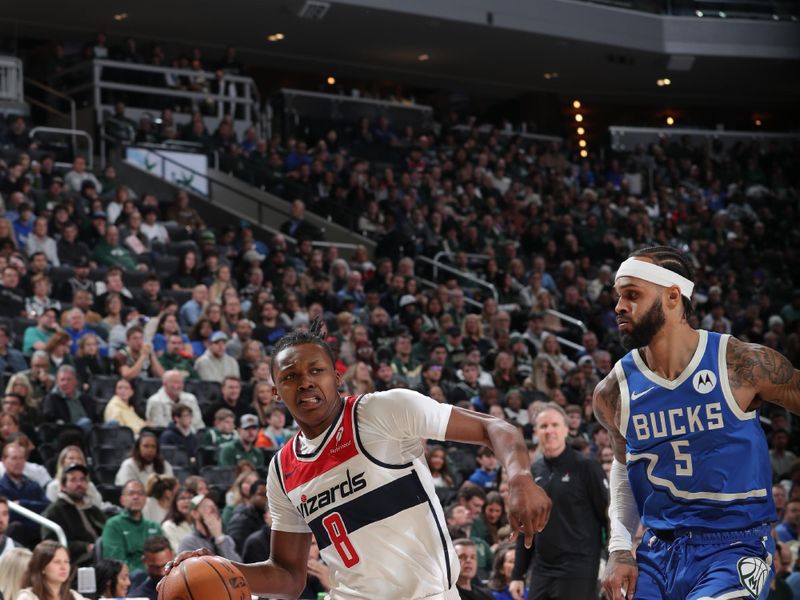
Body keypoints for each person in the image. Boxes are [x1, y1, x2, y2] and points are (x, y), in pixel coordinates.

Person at [166, 319, 550, 599]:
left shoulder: (382, 411)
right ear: (275, 394)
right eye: (290, 376)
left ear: (337, 377)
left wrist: (519, 479)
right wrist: (219, 571)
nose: (305, 382)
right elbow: (287, 574)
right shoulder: (282, 469)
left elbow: (497, 429)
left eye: (316, 370)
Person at [593, 246, 800, 600]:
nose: (619, 306)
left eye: (632, 295)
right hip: (658, 552)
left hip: (736, 545)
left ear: (673, 296)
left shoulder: (739, 364)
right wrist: (620, 549)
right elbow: (624, 466)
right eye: (618, 297)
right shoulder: (614, 391)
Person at [509, 404, 608, 600]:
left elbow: (608, 515)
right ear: (536, 432)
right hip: (542, 568)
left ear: (565, 430)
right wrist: (517, 574)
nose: (550, 430)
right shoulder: (531, 471)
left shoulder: (586, 467)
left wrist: (613, 557)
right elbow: (525, 528)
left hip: (579, 566)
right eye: (544, 426)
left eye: (555, 424)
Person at [40, 464, 107, 568]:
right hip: (77, 562)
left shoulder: (93, 509)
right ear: (63, 486)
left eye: (82, 479)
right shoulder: (53, 512)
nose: (79, 484)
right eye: (73, 480)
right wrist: (85, 547)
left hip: (102, 555)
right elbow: (51, 545)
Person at [102, 480, 163, 573]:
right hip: (130, 578)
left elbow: (164, 557)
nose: (136, 497)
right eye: (131, 493)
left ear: (146, 499)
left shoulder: (154, 526)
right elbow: (115, 562)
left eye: (140, 493)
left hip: (157, 575)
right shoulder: (113, 525)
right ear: (122, 500)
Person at [0, 444, 48, 547]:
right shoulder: (1, 487)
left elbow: (48, 507)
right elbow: (9, 515)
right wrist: (34, 508)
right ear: (4, 461)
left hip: (37, 533)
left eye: (21, 458)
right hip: (14, 537)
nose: (18, 462)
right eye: (14, 458)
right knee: (16, 527)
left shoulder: (34, 485)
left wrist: (22, 504)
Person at [176, 494, 241, 561]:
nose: (215, 512)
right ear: (195, 514)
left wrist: (219, 539)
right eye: (210, 509)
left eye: (215, 508)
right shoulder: (189, 541)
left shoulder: (226, 539)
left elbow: (238, 567)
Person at [18, 540, 90, 600]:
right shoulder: (27, 597)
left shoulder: (73, 596)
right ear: (42, 567)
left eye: (66, 562)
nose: (63, 567)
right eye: (57, 562)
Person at [227, 479, 267, 555]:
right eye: (262, 494)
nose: (266, 499)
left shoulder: (264, 515)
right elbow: (236, 550)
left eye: (269, 495)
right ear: (251, 496)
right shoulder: (241, 519)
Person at [128, 535, 173, 600]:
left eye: (165, 565)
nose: (162, 573)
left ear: (173, 555)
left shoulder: (189, 584)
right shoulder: (138, 597)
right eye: (155, 567)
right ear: (144, 561)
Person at [161, 487, 194, 552]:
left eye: (190, 498)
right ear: (175, 503)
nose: (187, 501)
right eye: (182, 498)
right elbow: (177, 551)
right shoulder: (168, 526)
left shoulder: (199, 524)